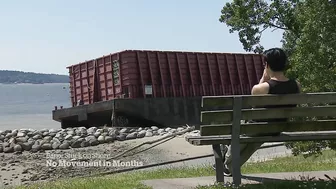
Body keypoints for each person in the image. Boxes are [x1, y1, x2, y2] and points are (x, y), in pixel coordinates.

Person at [213, 47, 301, 176]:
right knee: (254, 139)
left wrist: (263, 78)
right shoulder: (296, 85)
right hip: (278, 127)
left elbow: (255, 107)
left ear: (267, 64)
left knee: (245, 132)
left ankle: (226, 162)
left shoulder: (261, 88)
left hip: (256, 128)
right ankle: (229, 166)